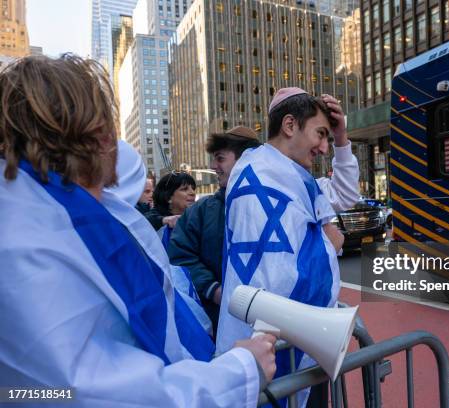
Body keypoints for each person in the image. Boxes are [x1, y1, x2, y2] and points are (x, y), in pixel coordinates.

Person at [0, 54, 275, 407]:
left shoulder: (57, 210)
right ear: (99, 136)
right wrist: (241, 371)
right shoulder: (27, 237)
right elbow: (79, 391)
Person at [216, 88, 349, 407]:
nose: (323, 147)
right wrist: (327, 243)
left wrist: (342, 139)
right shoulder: (260, 179)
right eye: (320, 134)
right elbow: (274, 275)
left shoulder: (292, 178)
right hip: (270, 345)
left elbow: (343, 196)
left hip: (288, 344)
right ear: (290, 125)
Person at [168, 126, 261, 335]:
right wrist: (214, 289)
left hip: (269, 326)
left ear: (244, 159)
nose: (213, 166)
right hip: (219, 324)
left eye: (220, 158)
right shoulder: (200, 212)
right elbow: (180, 256)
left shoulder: (274, 206)